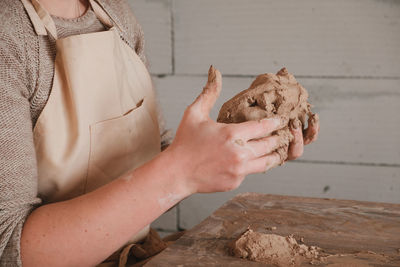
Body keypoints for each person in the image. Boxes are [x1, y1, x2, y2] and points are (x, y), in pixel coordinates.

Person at [0, 0, 319, 266]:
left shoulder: (116, 16)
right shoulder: (9, 32)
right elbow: (9, 249)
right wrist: (183, 169)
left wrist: (233, 139)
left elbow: (155, 160)